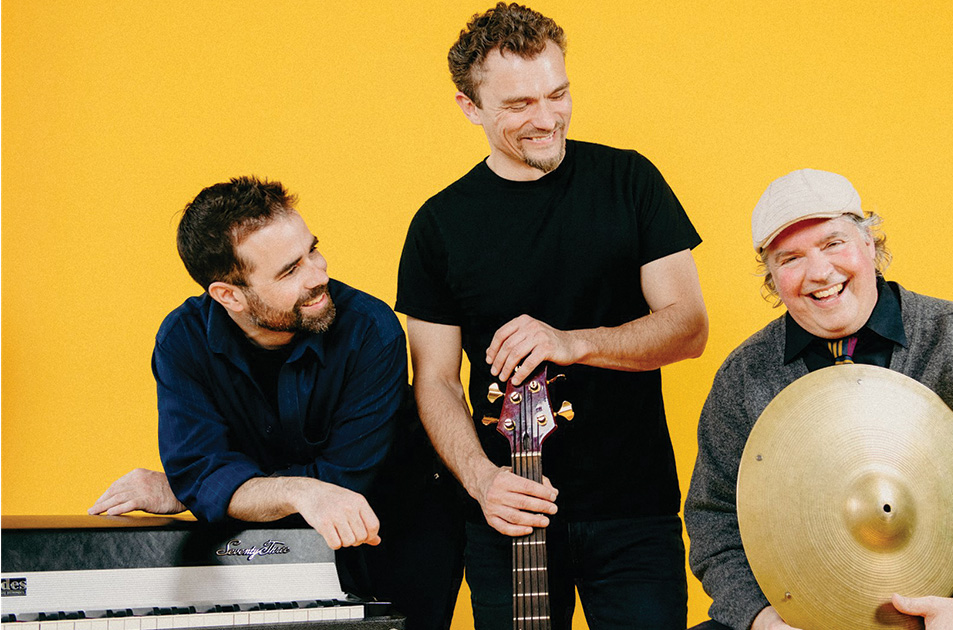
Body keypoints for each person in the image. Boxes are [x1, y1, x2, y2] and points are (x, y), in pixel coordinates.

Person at [394, 3, 708, 629]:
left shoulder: (629, 180)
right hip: (506, 515)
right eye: (518, 105)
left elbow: (689, 326)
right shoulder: (438, 225)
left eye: (557, 94)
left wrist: (572, 343)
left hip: (632, 511)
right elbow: (434, 379)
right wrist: (483, 481)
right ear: (470, 107)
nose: (547, 119)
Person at [685, 169, 953, 630]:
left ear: (870, 244)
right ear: (772, 277)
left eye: (834, 243)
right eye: (790, 257)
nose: (819, 272)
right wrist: (760, 619)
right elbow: (712, 517)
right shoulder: (743, 377)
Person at [88, 176, 462, 630]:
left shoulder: (371, 329)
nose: (318, 274)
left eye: (313, 250)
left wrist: (202, 490)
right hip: (267, 542)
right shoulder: (182, 341)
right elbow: (213, 472)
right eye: (289, 271)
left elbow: (340, 485)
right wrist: (261, 489)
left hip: (398, 533)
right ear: (229, 296)